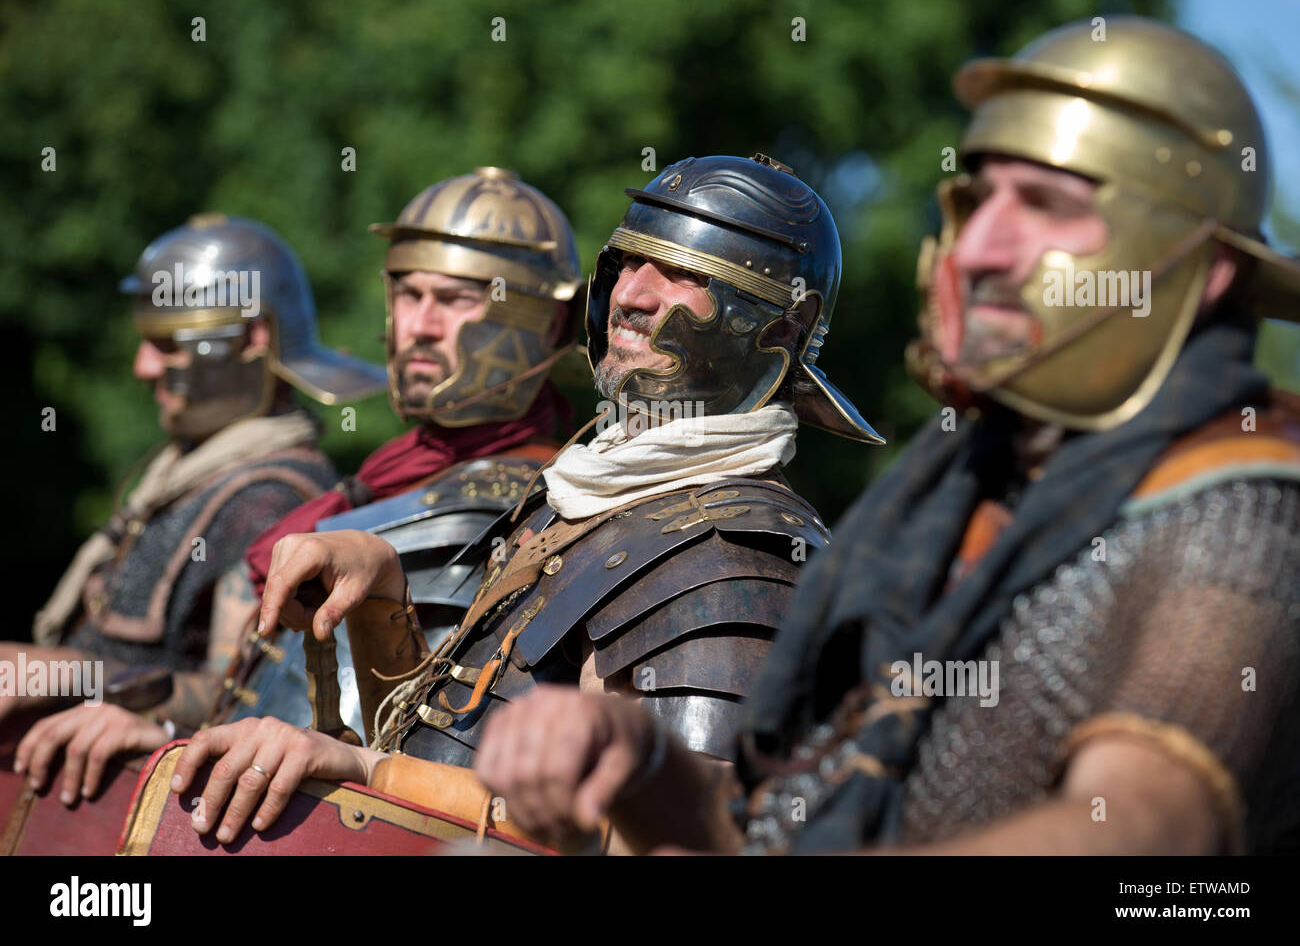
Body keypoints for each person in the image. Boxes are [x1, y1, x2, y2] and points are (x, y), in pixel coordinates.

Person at [466, 17, 1300, 855]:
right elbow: (776, 832)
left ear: (1203, 264)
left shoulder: (1237, 508)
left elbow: (1147, 830)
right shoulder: (949, 496)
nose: (980, 247)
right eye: (975, 203)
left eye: (1048, 206)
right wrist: (646, 768)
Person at [167, 154, 883, 850]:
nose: (631, 297)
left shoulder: (733, 554)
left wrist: (368, 771)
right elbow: (440, 737)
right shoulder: (587, 490)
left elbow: (672, 838)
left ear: (782, 328)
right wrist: (384, 589)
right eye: (628, 264)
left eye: (681, 276)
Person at [9, 214, 385, 806]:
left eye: (167, 345)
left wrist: (56, 673)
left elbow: (238, 700)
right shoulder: (182, 474)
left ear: (252, 339)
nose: (144, 368)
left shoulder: (270, 500)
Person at [210, 167, 582, 738]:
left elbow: (434, 745)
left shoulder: (549, 507)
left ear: (548, 319)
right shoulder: (389, 474)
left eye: (456, 299)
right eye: (409, 294)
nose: (421, 326)